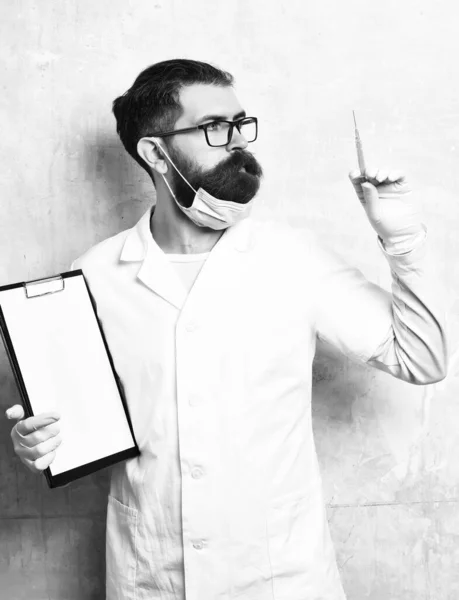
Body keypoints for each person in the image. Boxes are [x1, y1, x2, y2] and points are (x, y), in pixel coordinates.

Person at [5, 59, 448, 600]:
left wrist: (402, 240)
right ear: (155, 152)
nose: (237, 142)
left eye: (240, 124)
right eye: (215, 128)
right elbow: (80, 420)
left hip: (280, 577)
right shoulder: (97, 274)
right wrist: (40, 440)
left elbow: (422, 360)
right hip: (153, 575)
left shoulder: (292, 257)